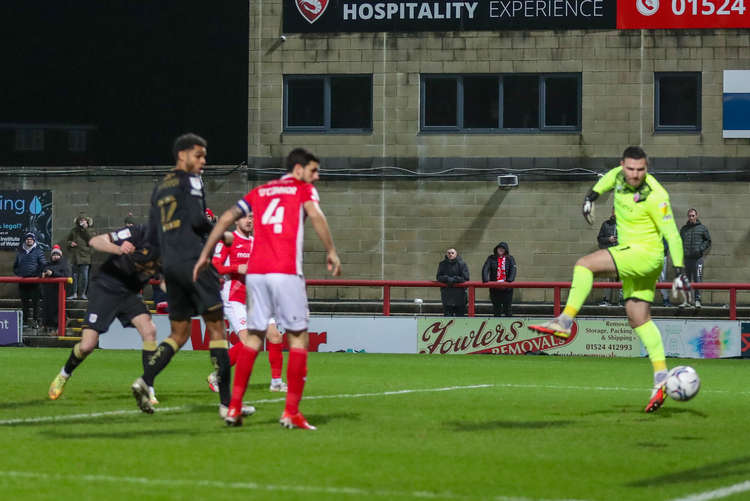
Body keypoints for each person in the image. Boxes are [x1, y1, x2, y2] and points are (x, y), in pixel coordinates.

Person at [529, 146, 689, 413]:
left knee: (584, 265)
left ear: (647, 167)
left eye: (640, 170)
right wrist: (591, 196)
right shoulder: (617, 176)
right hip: (638, 261)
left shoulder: (657, 195)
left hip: (645, 256)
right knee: (638, 318)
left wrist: (681, 271)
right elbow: (606, 180)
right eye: (630, 169)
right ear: (622, 165)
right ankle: (661, 378)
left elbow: (672, 234)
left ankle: (564, 321)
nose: (635, 175)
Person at [194, 147, 341, 429]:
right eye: (313, 171)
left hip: (257, 277)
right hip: (284, 272)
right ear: (298, 170)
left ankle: (234, 407)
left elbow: (225, 218)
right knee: (298, 339)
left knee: (254, 339)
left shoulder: (261, 191)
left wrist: (204, 253)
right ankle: (291, 412)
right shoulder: (302, 189)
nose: (317, 177)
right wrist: (331, 251)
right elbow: (317, 215)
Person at [129, 133, 250, 420]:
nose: (203, 161)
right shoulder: (191, 180)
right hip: (195, 261)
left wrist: (161, 271)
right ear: (182, 155)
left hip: (172, 265)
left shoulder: (160, 187)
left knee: (179, 334)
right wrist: (224, 234)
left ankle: (145, 380)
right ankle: (227, 405)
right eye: (199, 155)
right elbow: (197, 220)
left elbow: (154, 233)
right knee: (217, 330)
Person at [48, 224, 162, 404]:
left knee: (150, 330)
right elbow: (95, 241)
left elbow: (165, 281)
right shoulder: (137, 232)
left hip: (128, 294)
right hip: (106, 287)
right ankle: (64, 374)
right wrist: (118, 248)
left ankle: (148, 388)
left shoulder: (169, 251)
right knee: (87, 346)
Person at [207, 212, 287, 393]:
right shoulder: (228, 240)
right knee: (251, 343)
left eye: (252, 217)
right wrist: (236, 267)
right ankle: (217, 376)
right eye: (245, 217)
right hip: (235, 297)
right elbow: (215, 265)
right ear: (236, 220)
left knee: (275, 336)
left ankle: (276, 383)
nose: (249, 220)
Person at [13, 232, 47, 329]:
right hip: (23, 281)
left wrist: (39, 273)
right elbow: (15, 266)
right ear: (25, 240)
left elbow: (43, 264)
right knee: (24, 303)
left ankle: (35, 321)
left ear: (34, 240)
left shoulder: (38, 251)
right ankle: (24, 321)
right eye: (27, 239)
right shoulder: (20, 252)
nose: (29, 240)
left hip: (35, 281)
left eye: (31, 239)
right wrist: (19, 273)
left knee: (36, 303)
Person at [680, 208, 711, 308]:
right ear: (688, 216)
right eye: (689, 215)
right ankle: (688, 301)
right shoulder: (684, 229)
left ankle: (698, 300)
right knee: (687, 280)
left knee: (698, 279)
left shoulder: (702, 228)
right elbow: (679, 242)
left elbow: (708, 241)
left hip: (698, 259)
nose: (691, 217)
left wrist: (700, 249)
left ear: (696, 216)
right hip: (687, 259)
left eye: (693, 215)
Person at [41, 245, 71, 332]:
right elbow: (42, 271)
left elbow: (66, 275)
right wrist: (42, 273)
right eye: (54, 255)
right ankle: (49, 326)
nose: (55, 256)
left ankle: (61, 324)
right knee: (48, 308)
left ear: (60, 256)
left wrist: (53, 273)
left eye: (57, 255)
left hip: (59, 291)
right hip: (48, 291)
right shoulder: (47, 264)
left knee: (58, 308)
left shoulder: (64, 264)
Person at [481, 242, 517, 317]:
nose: (501, 249)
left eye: (503, 248)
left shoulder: (510, 258)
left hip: (507, 289)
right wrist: (485, 279)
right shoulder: (491, 258)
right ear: (496, 249)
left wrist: (510, 280)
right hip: (494, 288)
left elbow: (513, 270)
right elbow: (485, 268)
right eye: (499, 248)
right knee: (496, 309)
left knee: (507, 308)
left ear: (505, 250)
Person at [596, 209, 621, 306]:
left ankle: (620, 300)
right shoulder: (606, 224)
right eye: (614, 210)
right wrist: (608, 239)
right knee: (607, 278)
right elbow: (599, 239)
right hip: (608, 255)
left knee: (620, 278)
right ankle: (606, 300)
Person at [66, 214, 94, 300]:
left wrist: (85, 229)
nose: (81, 221)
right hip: (75, 257)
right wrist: (70, 243)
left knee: (84, 277)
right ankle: (74, 293)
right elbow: (68, 240)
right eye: (80, 220)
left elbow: (91, 240)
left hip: (85, 257)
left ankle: (83, 294)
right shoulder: (74, 231)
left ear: (87, 221)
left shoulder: (90, 230)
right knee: (74, 277)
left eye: (83, 220)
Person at [436, 248, 470, 317]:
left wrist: (454, 279)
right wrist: (447, 278)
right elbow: (438, 277)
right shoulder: (442, 264)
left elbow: (466, 277)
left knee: (460, 317)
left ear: (456, 254)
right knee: (447, 318)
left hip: (460, 296)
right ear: (446, 254)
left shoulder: (462, 264)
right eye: (449, 253)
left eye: (452, 253)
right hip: (447, 296)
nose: (450, 254)